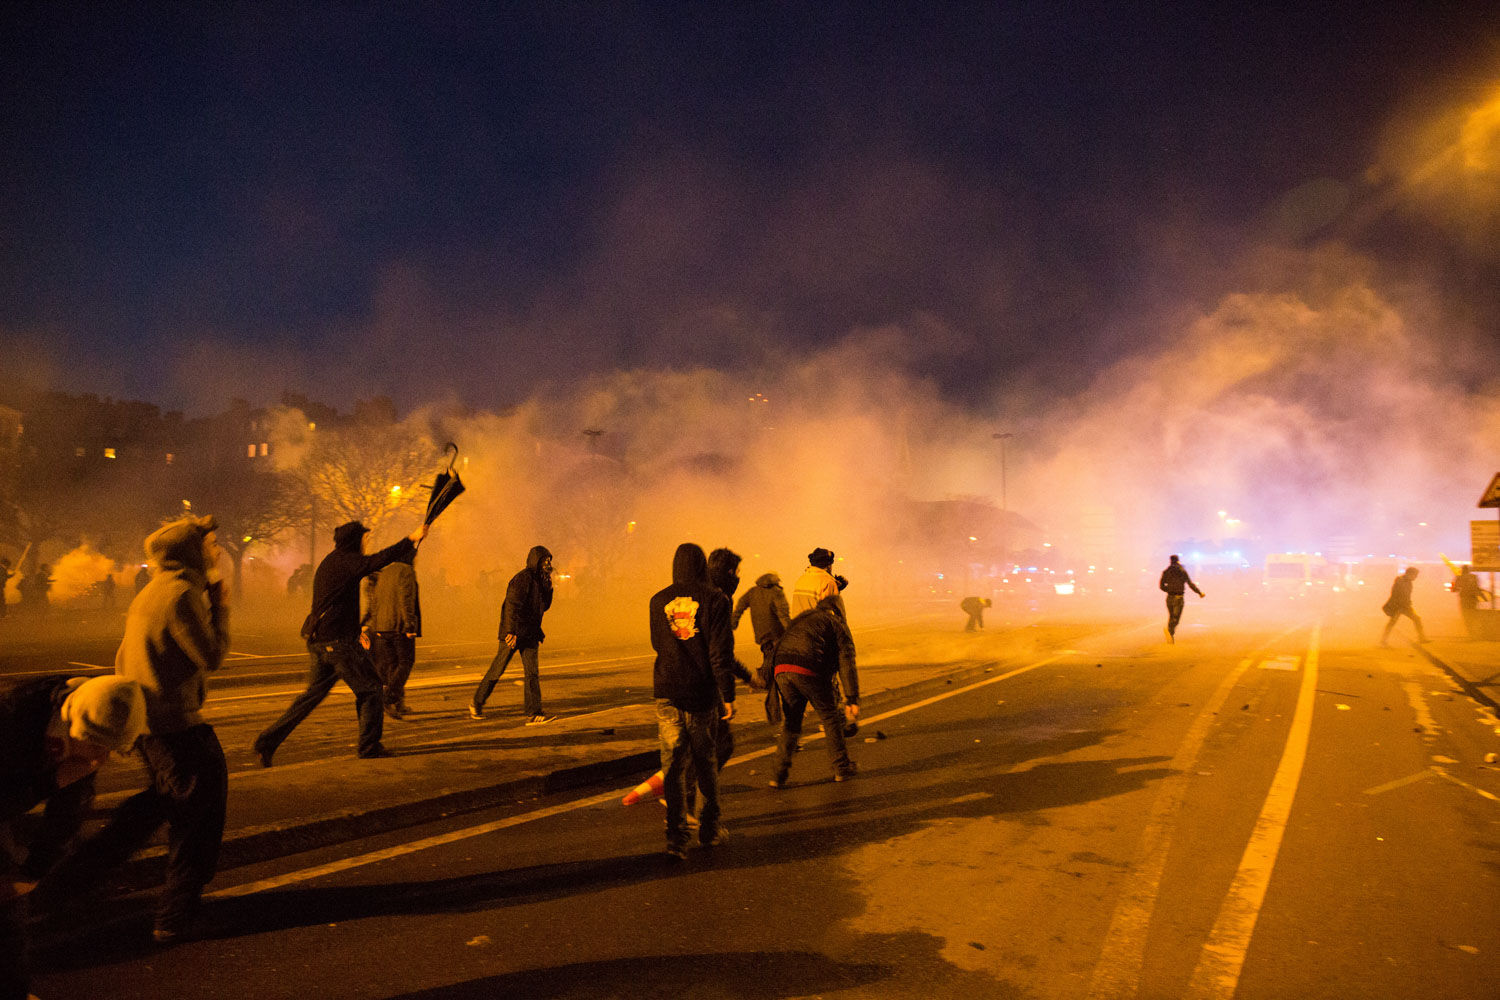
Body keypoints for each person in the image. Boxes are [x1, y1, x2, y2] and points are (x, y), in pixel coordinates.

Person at [50, 516, 230, 944]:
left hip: (152, 724)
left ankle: (69, 883)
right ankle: (174, 917)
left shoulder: (153, 591)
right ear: (191, 550)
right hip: (176, 724)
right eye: (210, 544)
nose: (216, 550)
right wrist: (220, 606)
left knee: (155, 807)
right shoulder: (181, 595)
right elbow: (211, 656)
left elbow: (123, 654)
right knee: (197, 818)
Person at [2, 675, 146, 999]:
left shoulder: (93, 719)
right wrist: (51, 782)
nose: (101, 757)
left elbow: (68, 811)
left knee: (10, 910)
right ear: (71, 720)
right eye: (96, 744)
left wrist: (34, 871)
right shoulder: (13, 719)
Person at [253, 519, 428, 765]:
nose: (367, 543)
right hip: (338, 644)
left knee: (310, 698)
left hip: (320, 641)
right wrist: (411, 539)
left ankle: (266, 742)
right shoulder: (348, 561)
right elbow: (378, 560)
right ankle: (369, 747)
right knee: (371, 690)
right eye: (365, 539)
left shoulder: (330, 561)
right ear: (355, 541)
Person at [649, 543, 735, 859]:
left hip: (668, 691)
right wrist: (728, 695)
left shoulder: (658, 601)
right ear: (701, 566)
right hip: (701, 695)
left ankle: (676, 838)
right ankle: (709, 830)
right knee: (705, 764)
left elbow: (658, 643)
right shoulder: (716, 600)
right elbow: (720, 653)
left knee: (673, 768)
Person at [768, 595, 860, 788]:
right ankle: (842, 769)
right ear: (838, 610)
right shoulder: (836, 623)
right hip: (808, 669)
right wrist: (852, 698)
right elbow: (847, 661)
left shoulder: (802, 618)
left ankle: (778, 775)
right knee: (830, 717)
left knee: (792, 721)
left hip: (781, 669)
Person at [470, 546, 555, 725]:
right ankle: (477, 702)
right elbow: (511, 605)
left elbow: (544, 607)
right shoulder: (523, 579)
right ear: (536, 561)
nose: (548, 563)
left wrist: (548, 588)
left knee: (532, 673)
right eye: (544, 560)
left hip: (530, 633)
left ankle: (533, 713)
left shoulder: (541, 581)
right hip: (514, 633)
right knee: (498, 669)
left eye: (549, 560)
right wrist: (511, 631)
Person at [361, 549, 421, 719]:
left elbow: (376, 603)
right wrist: (410, 625)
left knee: (392, 665)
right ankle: (387, 698)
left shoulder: (385, 573)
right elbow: (406, 599)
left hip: (382, 627)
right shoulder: (407, 571)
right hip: (398, 627)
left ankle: (396, 702)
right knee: (405, 662)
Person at [733, 571, 792, 686]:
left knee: (768, 653)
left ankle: (768, 679)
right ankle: (766, 678)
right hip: (776, 631)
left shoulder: (753, 592)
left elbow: (740, 605)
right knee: (776, 656)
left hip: (760, 631)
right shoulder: (776, 592)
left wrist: (734, 621)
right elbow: (783, 613)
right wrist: (790, 630)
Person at [1159, 555, 1204, 643]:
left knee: (1171, 616)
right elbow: (1190, 584)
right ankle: (1170, 631)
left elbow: (1161, 586)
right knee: (1176, 618)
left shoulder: (1166, 571)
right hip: (1179, 597)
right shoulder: (1182, 571)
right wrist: (1199, 592)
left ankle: (1170, 636)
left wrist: (1169, 590)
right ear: (1178, 561)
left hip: (1169, 597)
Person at [1381, 566, 1428, 646]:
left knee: (1416, 619)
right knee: (1392, 623)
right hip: (1398, 606)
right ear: (1410, 574)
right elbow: (1396, 595)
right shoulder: (1400, 581)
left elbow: (1406, 595)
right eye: (1415, 575)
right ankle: (1383, 640)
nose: (1415, 578)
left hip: (1405, 606)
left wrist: (1408, 603)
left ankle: (1422, 638)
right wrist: (1401, 605)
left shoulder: (1408, 582)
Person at [1451, 564, 1492, 639]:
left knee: (1466, 617)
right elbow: (1477, 588)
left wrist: (1454, 583)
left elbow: (1454, 590)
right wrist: (1484, 597)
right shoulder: (1474, 577)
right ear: (1469, 570)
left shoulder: (1459, 578)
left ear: (1462, 570)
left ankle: (1471, 635)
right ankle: (1475, 634)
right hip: (1473, 600)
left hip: (1464, 599)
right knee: (1473, 616)